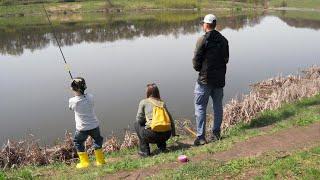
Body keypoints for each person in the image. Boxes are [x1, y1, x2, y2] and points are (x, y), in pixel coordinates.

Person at [192, 14, 229, 146]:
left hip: (204, 80)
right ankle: (216, 134)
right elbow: (226, 59)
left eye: (203, 23)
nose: (202, 25)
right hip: (219, 80)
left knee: (200, 107)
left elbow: (196, 61)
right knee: (218, 106)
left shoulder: (202, 40)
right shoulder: (224, 40)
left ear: (206, 25)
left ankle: (201, 137)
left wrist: (199, 69)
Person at [69, 77, 106, 168]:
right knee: (97, 140)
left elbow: (71, 108)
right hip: (94, 125)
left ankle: (84, 163)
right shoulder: (90, 97)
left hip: (82, 128)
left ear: (73, 89)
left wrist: (75, 96)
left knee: (78, 142)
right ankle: (100, 161)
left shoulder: (73, 101)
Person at [135, 83, 176, 157]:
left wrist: (146, 120)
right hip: (166, 134)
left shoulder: (144, 102)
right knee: (160, 124)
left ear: (148, 92)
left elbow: (139, 119)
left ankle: (144, 151)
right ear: (157, 92)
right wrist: (173, 133)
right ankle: (162, 147)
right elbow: (170, 119)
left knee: (136, 124)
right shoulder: (162, 103)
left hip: (152, 135)